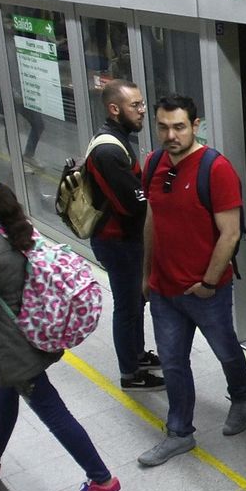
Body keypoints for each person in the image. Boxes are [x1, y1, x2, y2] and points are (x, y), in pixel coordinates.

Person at [0, 164, 123, 491]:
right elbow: (6, 267)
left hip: (11, 340)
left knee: (50, 408)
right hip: (28, 322)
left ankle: (102, 480)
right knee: (4, 395)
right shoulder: (2, 217)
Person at [137, 94, 246, 466]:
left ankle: (241, 397)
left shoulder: (215, 169)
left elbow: (230, 234)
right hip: (164, 289)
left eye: (179, 127)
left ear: (195, 125)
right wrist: (147, 272)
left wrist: (208, 283)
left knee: (225, 349)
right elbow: (152, 219)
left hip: (206, 291)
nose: (170, 135)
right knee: (172, 362)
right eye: (163, 127)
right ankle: (179, 432)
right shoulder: (153, 164)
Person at [85, 80, 163, 392]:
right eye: (135, 105)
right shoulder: (108, 150)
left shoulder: (117, 139)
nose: (142, 111)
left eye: (142, 104)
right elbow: (133, 204)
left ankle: (137, 355)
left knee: (135, 302)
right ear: (114, 109)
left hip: (124, 239)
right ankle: (130, 373)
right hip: (117, 241)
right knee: (128, 306)